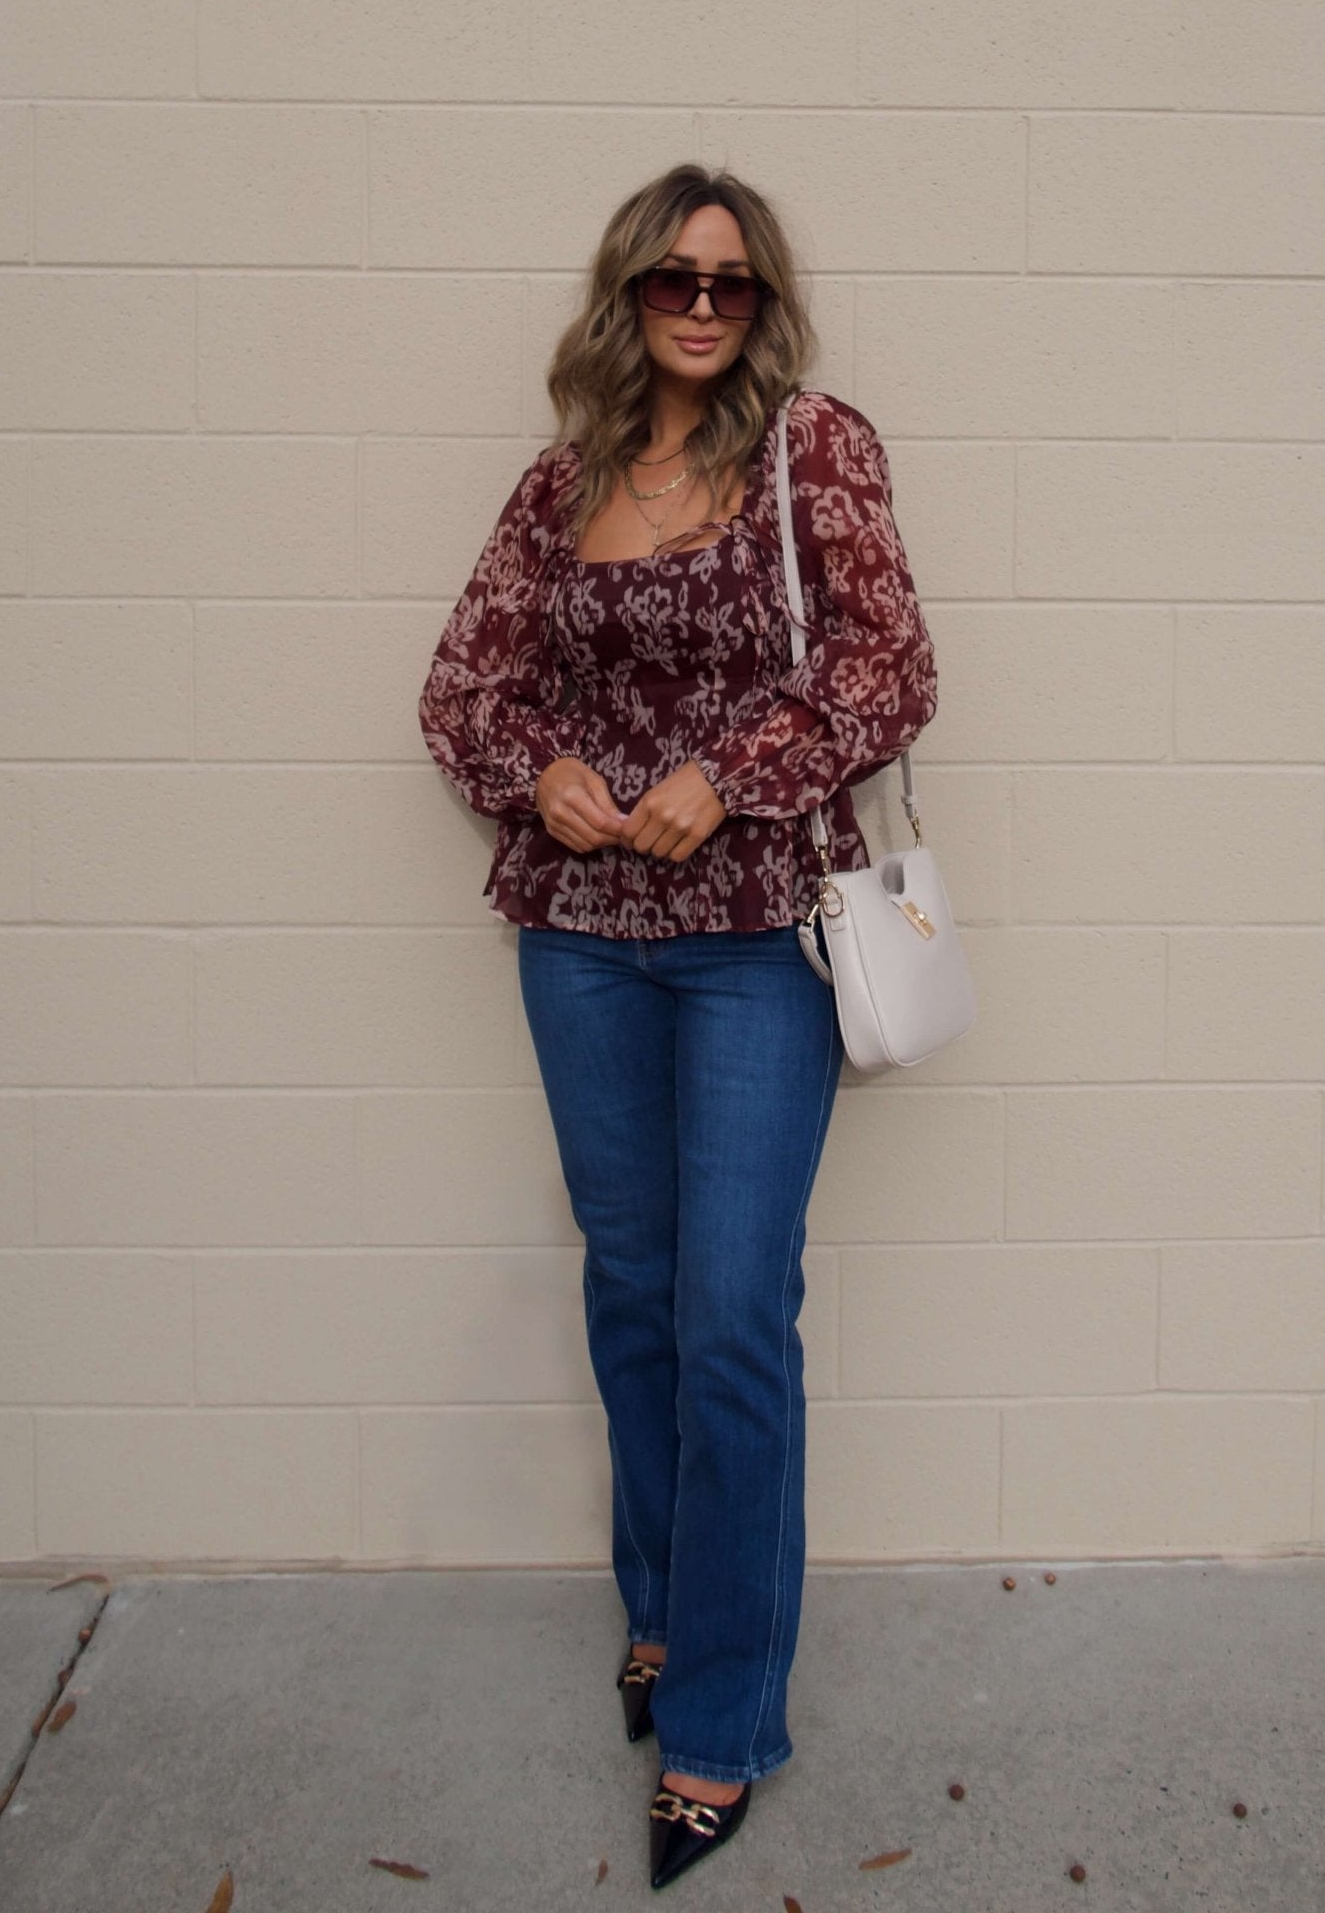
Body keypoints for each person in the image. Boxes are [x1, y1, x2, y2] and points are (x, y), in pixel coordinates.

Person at [417, 163, 938, 1891]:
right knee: (631, 1298)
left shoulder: (816, 453)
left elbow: (887, 670)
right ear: (624, 294)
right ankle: (659, 1612)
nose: (700, 307)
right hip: (575, 943)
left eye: (727, 282)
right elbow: (458, 688)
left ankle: (720, 1720)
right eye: (669, 281)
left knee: (729, 1320)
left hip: (747, 945)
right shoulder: (560, 480)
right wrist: (534, 771)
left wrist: (733, 778)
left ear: (761, 297)